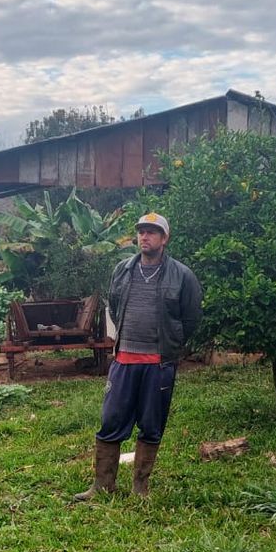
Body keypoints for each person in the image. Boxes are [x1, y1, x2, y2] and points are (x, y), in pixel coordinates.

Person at [73, 212, 201, 500]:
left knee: (152, 424)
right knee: (110, 420)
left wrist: (172, 343)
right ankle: (102, 485)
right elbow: (115, 306)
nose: (145, 236)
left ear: (164, 239)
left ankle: (140, 487)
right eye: (142, 231)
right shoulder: (122, 270)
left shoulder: (182, 275)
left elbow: (191, 318)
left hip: (158, 363)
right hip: (124, 360)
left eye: (152, 232)